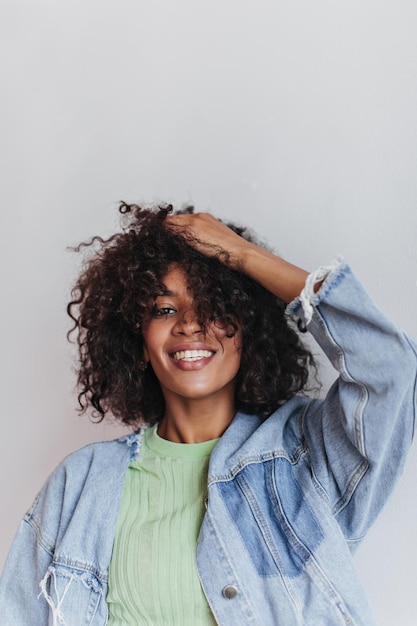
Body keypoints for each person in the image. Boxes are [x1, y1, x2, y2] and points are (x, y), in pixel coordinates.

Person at [0, 203, 416, 626]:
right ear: (140, 342)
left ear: (247, 331)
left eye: (215, 307)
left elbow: (390, 369)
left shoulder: (304, 459)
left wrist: (244, 256)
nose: (189, 324)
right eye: (164, 309)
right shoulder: (82, 482)